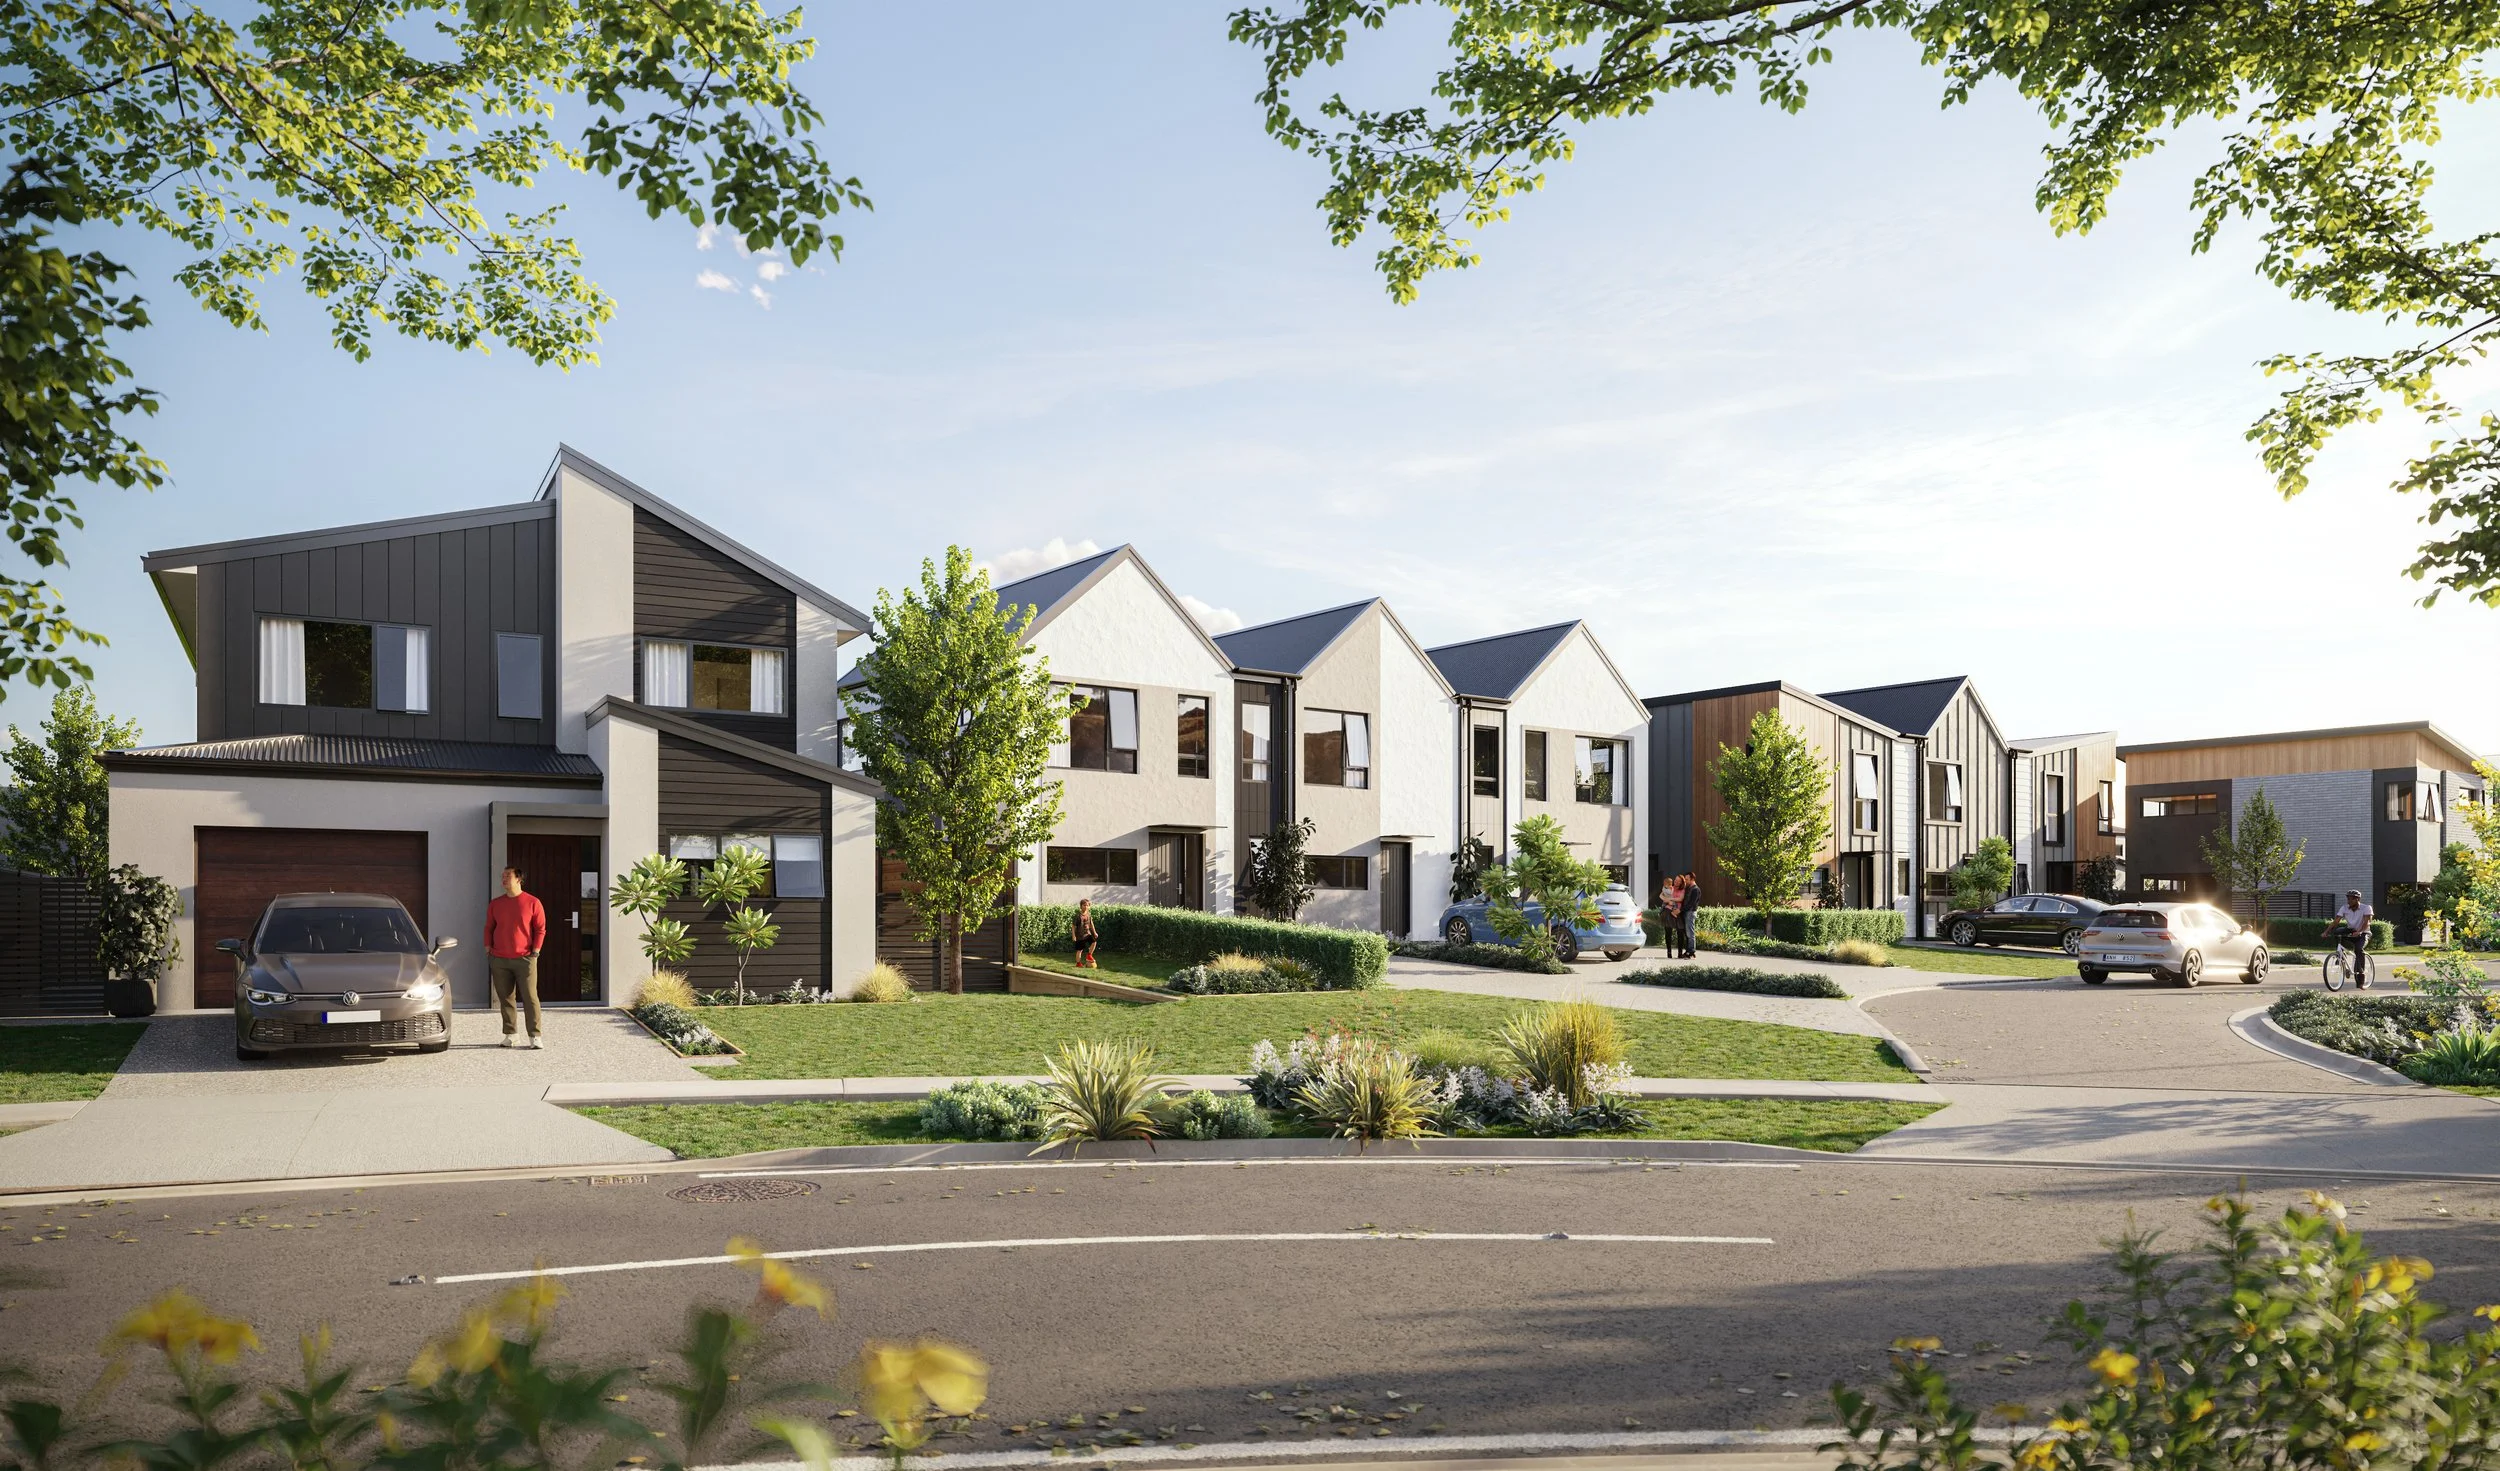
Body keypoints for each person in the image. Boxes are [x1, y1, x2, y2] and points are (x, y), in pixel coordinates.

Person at [486, 866, 548, 1047]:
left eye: (508, 876)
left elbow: (540, 929)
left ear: (519, 879)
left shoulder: (532, 902)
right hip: (499, 958)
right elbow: (489, 927)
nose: (504, 879)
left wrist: (536, 950)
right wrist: (487, 948)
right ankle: (511, 1034)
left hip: (525, 958)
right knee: (505, 998)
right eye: (502, 876)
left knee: (530, 997)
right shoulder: (495, 904)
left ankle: (535, 1036)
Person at [2328, 888, 2375, 989]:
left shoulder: (2366, 908)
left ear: (2357, 899)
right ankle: (2340, 955)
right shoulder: (2344, 908)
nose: (2348, 901)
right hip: (2351, 930)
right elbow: (2336, 921)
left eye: (2351, 899)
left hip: (2364, 933)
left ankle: (2361, 978)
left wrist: (2360, 931)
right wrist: (2326, 931)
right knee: (2337, 932)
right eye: (2348, 899)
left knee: (2358, 950)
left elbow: (2367, 922)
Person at [1676, 874, 1701, 959]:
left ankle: (1691, 951)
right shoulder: (1689, 888)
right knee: (1688, 933)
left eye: (1687, 879)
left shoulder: (1695, 890)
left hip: (1690, 913)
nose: (1685, 881)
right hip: (1686, 913)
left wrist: (1680, 909)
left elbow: (1691, 904)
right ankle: (1688, 951)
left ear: (1692, 879)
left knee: (1690, 933)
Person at [1072, 897, 1100, 970]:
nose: (1086, 907)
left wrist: (1094, 932)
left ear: (1089, 906)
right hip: (1080, 936)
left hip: (1087, 934)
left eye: (1087, 905)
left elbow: (1091, 924)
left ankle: (1089, 955)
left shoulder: (1089, 914)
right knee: (1080, 950)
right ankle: (1078, 963)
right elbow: (1073, 926)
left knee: (1094, 942)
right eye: (1084, 905)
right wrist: (1074, 936)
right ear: (1081, 906)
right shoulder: (1077, 916)